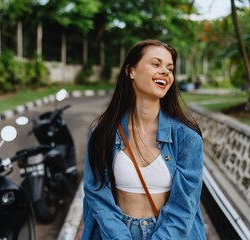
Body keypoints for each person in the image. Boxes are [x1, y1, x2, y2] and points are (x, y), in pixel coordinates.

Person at [81, 39, 206, 239]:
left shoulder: (187, 139)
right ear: (131, 71)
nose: (165, 71)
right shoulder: (103, 134)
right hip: (115, 234)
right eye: (156, 64)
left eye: (170, 68)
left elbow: (184, 208)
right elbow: (97, 195)